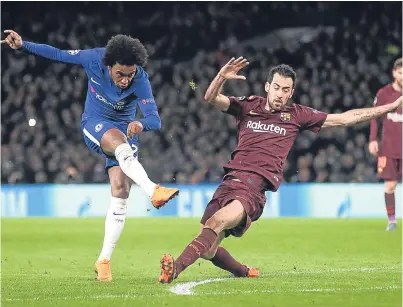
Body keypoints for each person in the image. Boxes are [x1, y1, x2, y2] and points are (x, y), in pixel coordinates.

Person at [158, 57, 403, 284]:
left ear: (291, 93)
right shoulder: (248, 106)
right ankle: (242, 271)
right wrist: (221, 76)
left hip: (254, 188)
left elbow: (345, 118)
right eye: (276, 87)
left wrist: (389, 107)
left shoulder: (297, 115)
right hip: (229, 180)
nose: (280, 94)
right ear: (267, 87)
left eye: (286, 90)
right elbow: (211, 98)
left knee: (218, 221)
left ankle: (174, 269)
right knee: (208, 247)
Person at [1, 30, 179, 282]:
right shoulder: (93, 59)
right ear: (108, 66)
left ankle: (103, 261)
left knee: (121, 191)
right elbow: (58, 54)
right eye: (120, 74)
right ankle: (153, 190)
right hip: (95, 125)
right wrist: (23, 46)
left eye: (130, 74)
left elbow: (155, 120)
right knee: (118, 140)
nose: (126, 80)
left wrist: (141, 124)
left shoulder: (140, 78)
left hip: (126, 134)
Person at [368, 58, 402, 232]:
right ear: (394, 73)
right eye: (400, 73)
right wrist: (373, 139)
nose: (402, 76)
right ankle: (392, 221)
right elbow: (374, 117)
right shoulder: (384, 94)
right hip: (388, 148)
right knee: (390, 185)